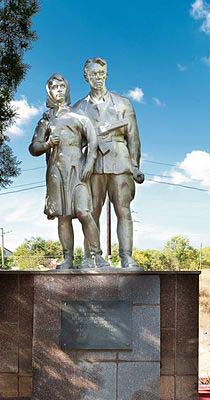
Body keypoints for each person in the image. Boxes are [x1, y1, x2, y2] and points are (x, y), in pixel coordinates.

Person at [29, 73, 109, 270]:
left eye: (61, 86)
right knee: (63, 215)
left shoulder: (79, 116)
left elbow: (92, 141)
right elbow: (34, 148)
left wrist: (89, 164)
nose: (58, 90)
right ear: (49, 92)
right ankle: (68, 258)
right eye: (54, 87)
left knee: (84, 212)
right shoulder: (45, 120)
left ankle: (96, 256)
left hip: (78, 168)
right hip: (56, 170)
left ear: (67, 90)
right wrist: (47, 144)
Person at [73, 57, 144, 270]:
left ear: (106, 74)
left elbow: (133, 137)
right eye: (93, 74)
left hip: (119, 160)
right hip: (91, 165)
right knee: (91, 211)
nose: (98, 77)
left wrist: (135, 165)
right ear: (86, 76)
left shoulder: (123, 103)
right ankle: (90, 257)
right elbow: (75, 142)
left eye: (101, 73)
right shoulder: (78, 108)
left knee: (123, 210)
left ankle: (127, 257)